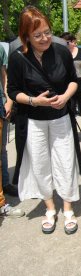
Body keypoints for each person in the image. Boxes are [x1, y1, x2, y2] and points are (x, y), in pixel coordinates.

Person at [7, 6, 81, 234]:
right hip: (33, 121)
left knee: (65, 161)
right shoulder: (18, 58)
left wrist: (66, 97)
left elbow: (73, 80)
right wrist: (33, 101)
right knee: (40, 164)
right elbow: (13, 91)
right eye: (37, 35)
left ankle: (68, 208)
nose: (45, 39)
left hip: (60, 117)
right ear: (26, 36)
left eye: (48, 32)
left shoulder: (61, 51)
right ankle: (49, 208)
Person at [0, 44, 18, 197]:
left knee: (2, 149)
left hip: (1, 105)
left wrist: (8, 101)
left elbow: (4, 76)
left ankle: (4, 184)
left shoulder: (0, 48)